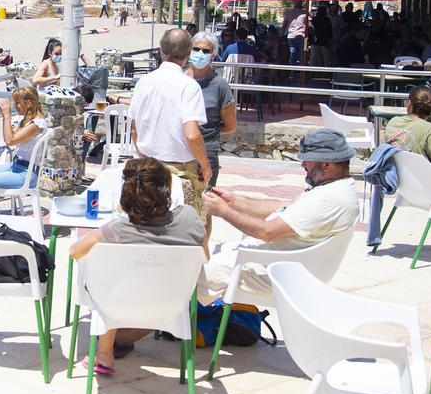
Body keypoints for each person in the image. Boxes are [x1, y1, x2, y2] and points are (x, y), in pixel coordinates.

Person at [69, 158, 206, 374]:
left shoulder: (118, 229)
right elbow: (204, 256)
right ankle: (117, 341)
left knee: (105, 279)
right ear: (166, 188)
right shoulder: (190, 218)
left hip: (120, 304)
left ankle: (105, 352)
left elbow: (74, 251)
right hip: (172, 306)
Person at [199, 129, 360, 302]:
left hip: (272, 271)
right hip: (279, 263)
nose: (303, 164)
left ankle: (182, 326)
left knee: (186, 274)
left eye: (307, 160)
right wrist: (234, 202)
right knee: (201, 256)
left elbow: (268, 232)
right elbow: (284, 207)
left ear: (327, 165)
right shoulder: (336, 188)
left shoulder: (328, 200)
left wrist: (223, 211)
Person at [129, 29, 211, 227]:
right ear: (188, 53)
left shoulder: (144, 82)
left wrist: (144, 156)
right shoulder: (188, 86)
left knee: (149, 226)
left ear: (161, 49)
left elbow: (134, 129)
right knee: (193, 229)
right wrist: (205, 165)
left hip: (149, 167)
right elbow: (192, 134)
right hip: (181, 171)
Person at [187, 32, 236, 196]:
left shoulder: (220, 86)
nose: (200, 54)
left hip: (206, 152)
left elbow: (230, 125)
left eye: (206, 51)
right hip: (178, 149)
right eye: (196, 49)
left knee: (205, 203)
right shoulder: (180, 79)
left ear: (213, 55)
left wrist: (207, 132)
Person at [282, 0, 310, 65]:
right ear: (301, 3)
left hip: (291, 36)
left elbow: (284, 25)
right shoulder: (304, 13)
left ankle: (292, 72)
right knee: (303, 53)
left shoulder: (289, 12)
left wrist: (282, 34)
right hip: (302, 36)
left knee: (293, 53)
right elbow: (309, 24)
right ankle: (302, 71)